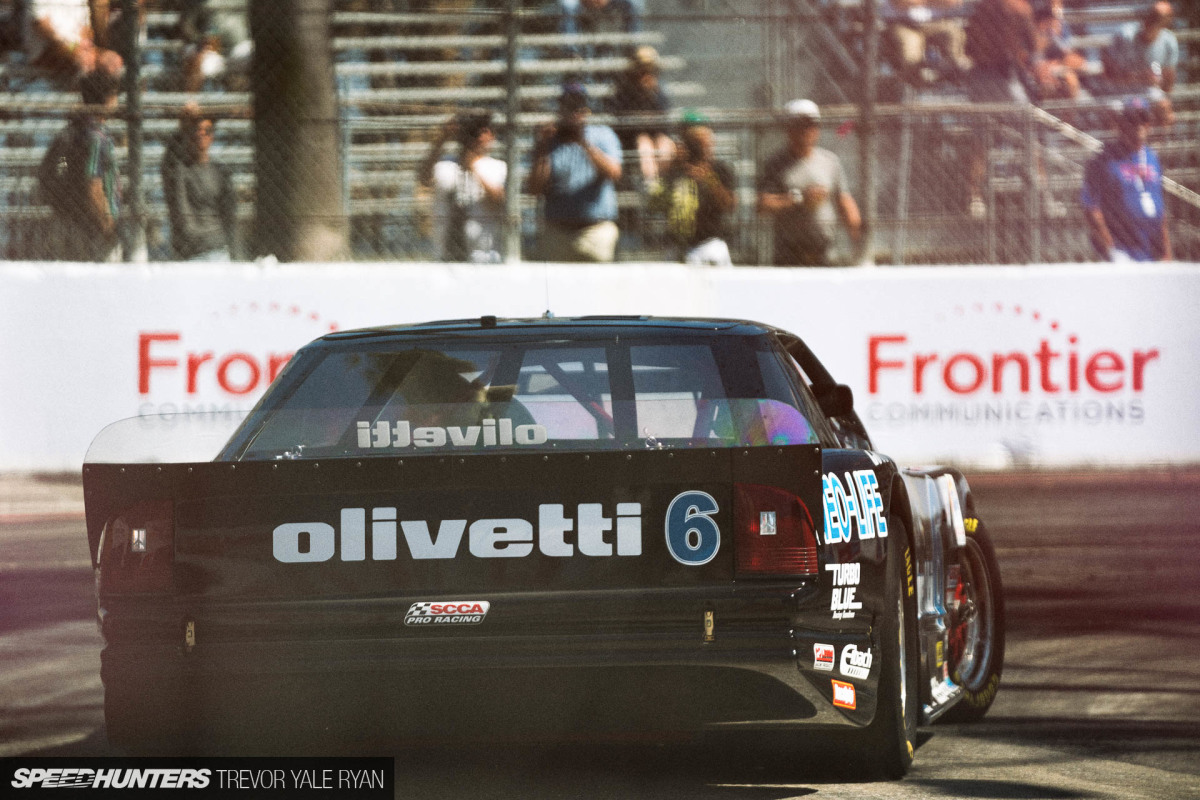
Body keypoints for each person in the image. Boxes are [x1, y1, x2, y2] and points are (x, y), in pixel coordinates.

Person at [756, 100, 862, 267]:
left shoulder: (830, 161)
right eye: (800, 124)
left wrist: (858, 241)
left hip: (825, 254)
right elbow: (762, 205)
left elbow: (844, 201)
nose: (807, 130)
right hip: (789, 255)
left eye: (812, 124)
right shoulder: (775, 164)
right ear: (788, 128)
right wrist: (800, 199)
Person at [529, 82, 623, 262]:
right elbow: (534, 189)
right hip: (558, 231)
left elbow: (614, 173)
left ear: (586, 110)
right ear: (560, 109)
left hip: (595, 230)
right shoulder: (549, 141)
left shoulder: (602, 135)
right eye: (568, 107)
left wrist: (584, 143)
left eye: (578, 107)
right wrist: (542, 149)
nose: (573, 113)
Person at [37, 71, 121, 261]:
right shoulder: (97, 138)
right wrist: (107, 223)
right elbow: (93, 183)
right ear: (107, 98)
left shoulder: (74, 129)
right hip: (93, 228)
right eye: (115, 95)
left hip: (72, 221)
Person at [1081, 99, 1171, 263]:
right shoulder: (1103, 159)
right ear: (1121, 124)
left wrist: (1166, 250)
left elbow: (1160, 206)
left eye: (1143, 119)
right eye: (1132, 119)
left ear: (1149, 124)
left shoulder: (1152, 158)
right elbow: (1091, 207)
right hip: (1122, 252)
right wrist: (1110, 248)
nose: (1138, 124)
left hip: (1152, 251)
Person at [417, 112, 507, 263]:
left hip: (484, 256)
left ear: (492, 136)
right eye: (473, 131)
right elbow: (423, 178)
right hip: (445, 255)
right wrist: (442, 139)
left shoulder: (498, 167)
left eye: (484, 131)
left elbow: (498, 202)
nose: (477, 137)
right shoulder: (444, 165)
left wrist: (472, 167)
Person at [656, 115, 736, 265]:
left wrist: (708, 179)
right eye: (693, 142)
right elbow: (656, 204)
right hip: (678, 245)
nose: (700, 147)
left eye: (703, 141)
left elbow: (729, 205)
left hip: (709, 243)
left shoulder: (719, 169)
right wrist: (672, 167)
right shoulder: (675, 170)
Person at [162, 106, 238, 261]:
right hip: (190, 252)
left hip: (218, 249)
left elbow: (229, 214)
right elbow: (168, 161)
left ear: (212, 137)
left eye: (207, 130)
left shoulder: (220, 172)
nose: (201, 134)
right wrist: (182, 127)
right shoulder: (180, 170)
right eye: (196, 130)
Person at [608, 46, 675, 191]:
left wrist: (651, 94)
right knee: (644, 143)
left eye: (649, 70)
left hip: (656, 134)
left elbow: (664, 120)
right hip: (631, 138)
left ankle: (665, 185)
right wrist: (640, 97)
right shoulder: (623, 91)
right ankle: (652, 186)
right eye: (642, 69)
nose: (646, 74)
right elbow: (622, 120)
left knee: (665, 143)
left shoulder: (658, 90)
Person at [1100, 2, 1178, 123]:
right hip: (1120, 91)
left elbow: (1168, 83)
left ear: (1167, 21)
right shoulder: (1124, 35)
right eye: (1152, 15)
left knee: (1165, 110)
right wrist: (1138, 77)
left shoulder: (1169, 42)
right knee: (1114, 110)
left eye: (1158, 17)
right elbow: (1108, 74)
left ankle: (1160, 142)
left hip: (1149, 91)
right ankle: (1118, 142)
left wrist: (1159, 83)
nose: (1153, 20)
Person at [885, 0, 973, 85]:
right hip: (904, 25)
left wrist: (919, 2)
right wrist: (934, 2)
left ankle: (945, 76)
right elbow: (901, 3)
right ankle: (914, 82)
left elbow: (952, 2)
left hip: (936, 22)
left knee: (953, 34)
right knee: (911, 60)